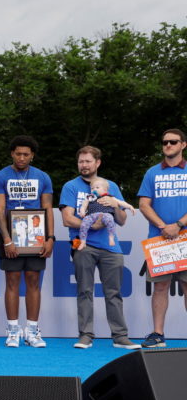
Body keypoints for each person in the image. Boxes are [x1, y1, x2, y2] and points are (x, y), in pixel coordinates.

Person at [59, 146, 141, 350]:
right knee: (84, 291)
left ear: (98, 163)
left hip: (111, 248)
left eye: (88, 161)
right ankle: (86, 335)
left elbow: (121, 220)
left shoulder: (111, 185)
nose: (84, 165)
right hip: (83, 246)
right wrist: (91, 224)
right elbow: (67, 219)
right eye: (81, 161)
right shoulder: (71, 186)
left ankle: (120, 337)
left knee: (114, 292)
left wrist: (114, 204)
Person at [0, 135, 54, 348]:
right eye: (18, 153)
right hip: (11, 235)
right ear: (12, 153)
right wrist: (7, 239)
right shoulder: (1, 176)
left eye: (26, 154)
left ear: (32, 156)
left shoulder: (43, 177)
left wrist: (50, 238)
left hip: (36, 235)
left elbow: (47, 208)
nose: (21, 157)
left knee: (34, 281)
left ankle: (33, 331)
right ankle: (13, 330)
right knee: (12, 281)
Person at [137, 128, 187, 348]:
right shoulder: (152, 173)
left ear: (183, 145)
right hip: (160, 240)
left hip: (185, 238)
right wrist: (163, 227)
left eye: (173, 142)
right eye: (165, 142)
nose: (168, 145)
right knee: (160, 287)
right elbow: (143, 204)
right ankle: (158, 334)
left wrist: (178, 225)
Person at [76, 177, 135, 251]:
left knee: (110, 220)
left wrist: (130, 206)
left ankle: (111, 237)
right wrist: (82, 211)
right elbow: (84, 205)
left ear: (105, 189)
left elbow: (121, 203)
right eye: (92, 188)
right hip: (92, 215)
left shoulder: (110, 197)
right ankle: (83, 241)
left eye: (97, 187)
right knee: (84, 223)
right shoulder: (90, 197)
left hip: (105, 214)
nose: (94, 189)